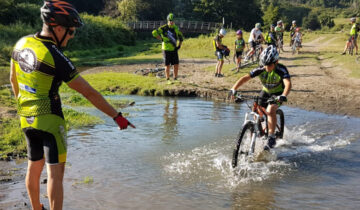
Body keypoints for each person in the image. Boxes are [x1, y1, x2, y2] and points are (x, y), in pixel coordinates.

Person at [9, 1, 135, 209]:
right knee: (55, 176)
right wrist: (117, 116)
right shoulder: (56, 57)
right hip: (50, 120)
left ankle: (36, 207)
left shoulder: (22, 43)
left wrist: (22, 105)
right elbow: (89, 93)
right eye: (71, 31)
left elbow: (14, 79)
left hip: (26, 119)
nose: (72, 36)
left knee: (33, 167)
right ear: (58, 28)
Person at [229, 45, 291, 150]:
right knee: (255, 107)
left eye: (269, 65)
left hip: (278, 93)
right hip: (266, 91)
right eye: (264, 64)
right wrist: (233, 89)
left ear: (276, 62)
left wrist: (283, 95)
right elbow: (245, 78)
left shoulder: (281, 69)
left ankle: (271, 138)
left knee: (271, 110)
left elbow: (288, 83)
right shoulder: (261, 68)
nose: (266, 67)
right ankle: (256, 130)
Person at [152, 13, 184, 84]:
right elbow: (154, 33)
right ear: (167, 20)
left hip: (174, 49)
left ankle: (175, 78)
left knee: (176, 64)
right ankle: (168, 79)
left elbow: (181, 37)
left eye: (172, 21)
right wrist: (161, 39)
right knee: (167, 65)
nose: (171, 22)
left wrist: (179, 46)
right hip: (166, 49)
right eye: (170, 21)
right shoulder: (164, 28)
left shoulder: (176, 28)